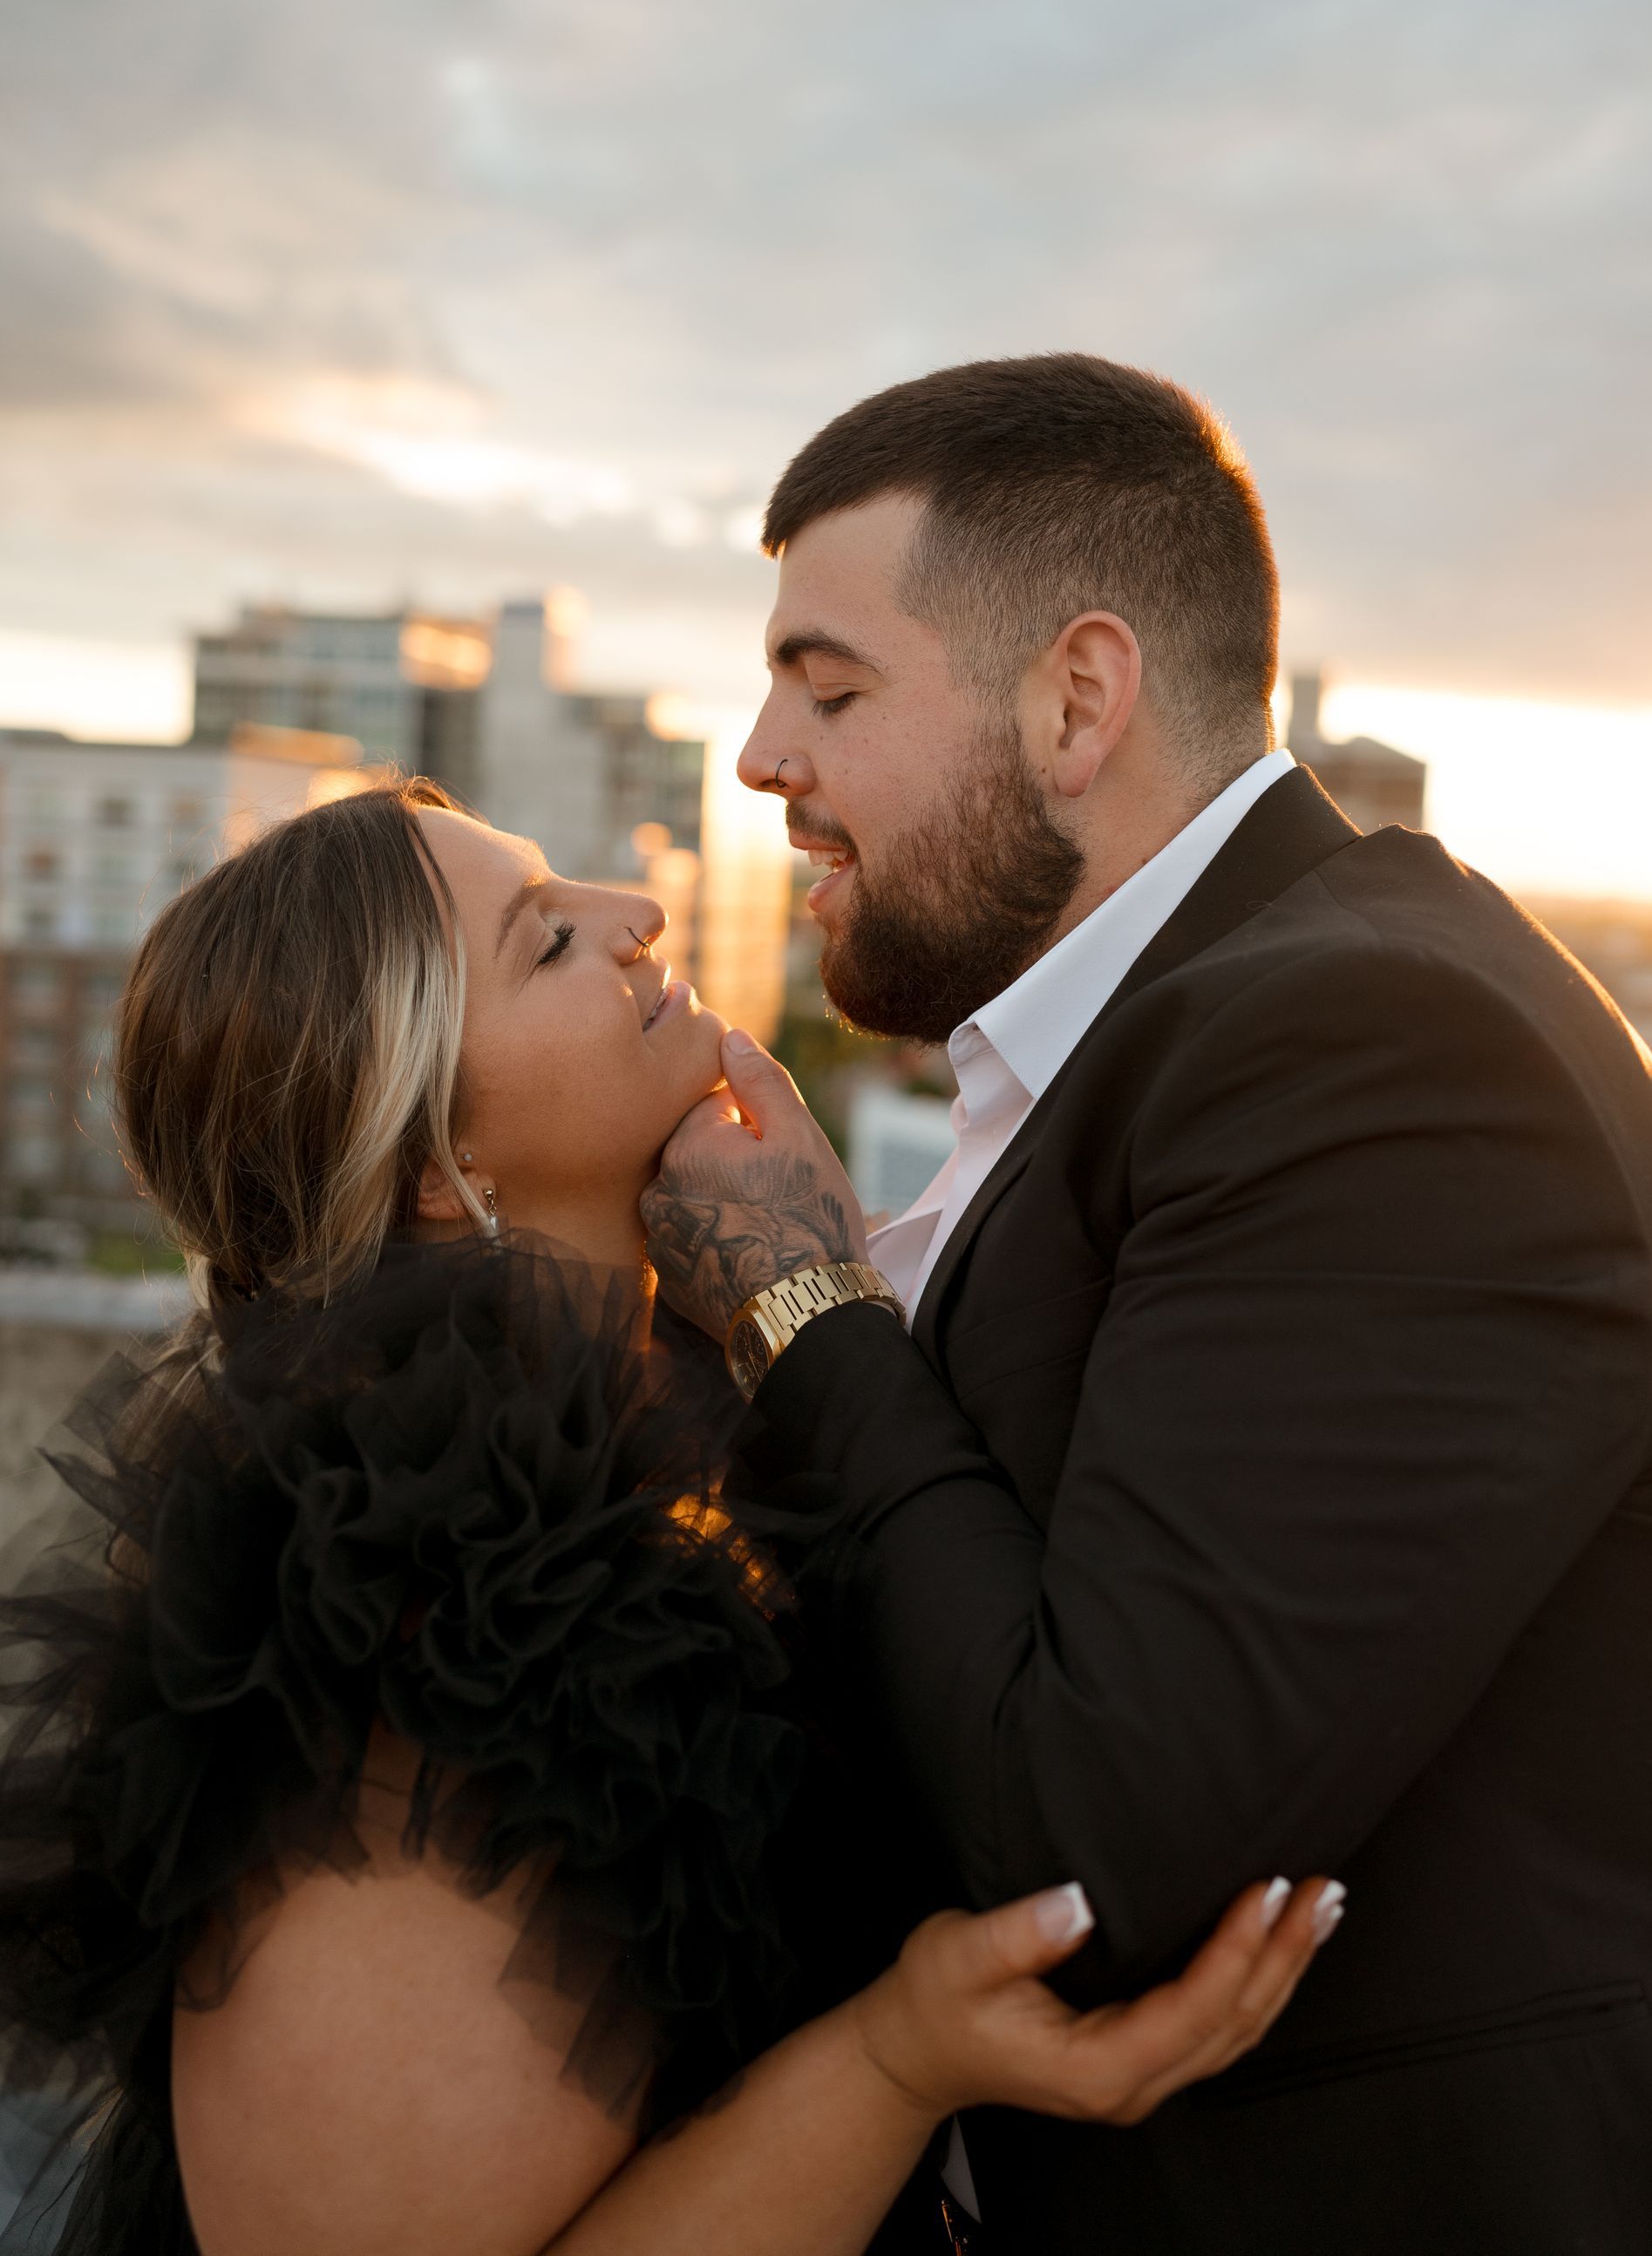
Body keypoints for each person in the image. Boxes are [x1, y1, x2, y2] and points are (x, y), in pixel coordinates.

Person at [0, 779, 1335, 2256]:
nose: (635, 916)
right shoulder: (418, 1625)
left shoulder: (669, 1439)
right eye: (544, 941)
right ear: (439, 1163)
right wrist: (903, 2055)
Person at [642, 352, 1652, 2256]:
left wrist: (797, 1300)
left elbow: (1087, 1855)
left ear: (1077, 699)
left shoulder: (1376, 1047)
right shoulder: (1189, 1027)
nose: (763, 758)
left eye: (831, 687)